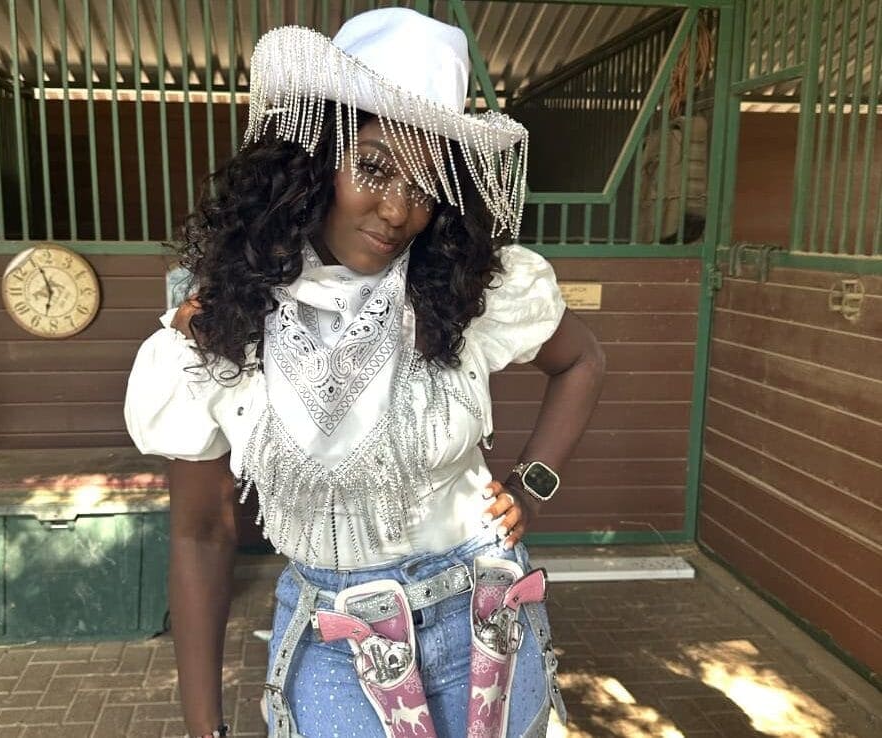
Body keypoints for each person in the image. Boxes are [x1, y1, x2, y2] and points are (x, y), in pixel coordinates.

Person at [125, 8, 605, 738]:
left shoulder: (467, 287)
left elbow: (581, 361)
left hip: (489, 617)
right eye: (374, 167)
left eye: (425, 186)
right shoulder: (222, 323)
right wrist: (204, 727)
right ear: (313, 158)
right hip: (337, 643)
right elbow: (199, 532)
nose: (398, 211)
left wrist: (533, 486)